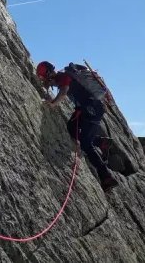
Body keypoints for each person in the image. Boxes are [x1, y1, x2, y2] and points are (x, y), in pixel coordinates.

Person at [36, 61, 118, 192]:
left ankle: (106, 176)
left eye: (44, 78)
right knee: (71, 127)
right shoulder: (60, 79)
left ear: (49, 74)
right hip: (86, 109)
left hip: (91, 111)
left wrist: (52, 103)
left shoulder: (64, 77)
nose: (45, 81)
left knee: (85, 144)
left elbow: (64, 92)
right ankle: (101, 142)